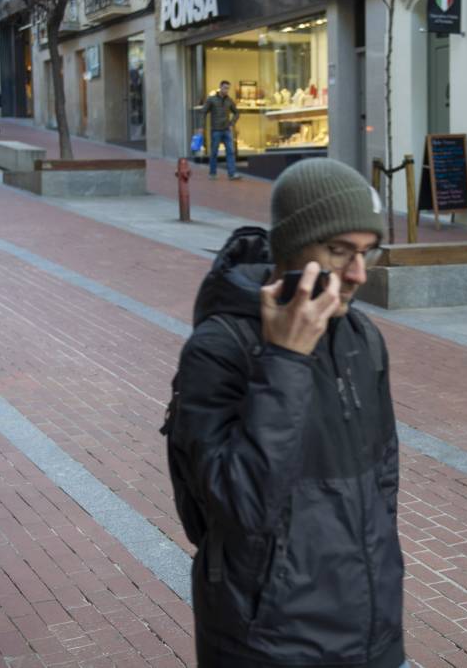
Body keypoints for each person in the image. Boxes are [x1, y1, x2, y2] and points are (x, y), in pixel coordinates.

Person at [164, 159, 405, 668]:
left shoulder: (363, 339)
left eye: (367, 252)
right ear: (292, 250)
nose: (358, 273)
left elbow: (384, 482)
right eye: (339, 251)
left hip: (374, 633)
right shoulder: (219, 349)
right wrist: (287, 361)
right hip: (269, 643)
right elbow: (239, 510)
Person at [198, 80, 241, 180]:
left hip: (226, 130)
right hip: (216, 130)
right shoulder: (211, 99)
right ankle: (212, 173)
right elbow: (203, 112)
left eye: (228, 88)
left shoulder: (229, 100)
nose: (226, 90)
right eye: (225, 88)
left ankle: (232, 174)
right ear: (220, 87)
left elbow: (237, 113)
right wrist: (201, 127)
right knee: (214, 152)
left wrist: (231, 123)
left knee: (230, 152)